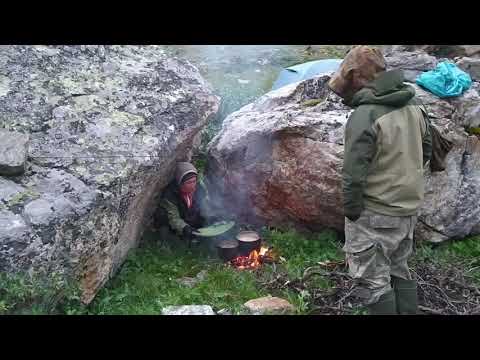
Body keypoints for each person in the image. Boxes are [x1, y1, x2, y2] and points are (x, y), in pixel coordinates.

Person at [328, 46, 432, 314]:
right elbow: (428, 149)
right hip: (408, 209)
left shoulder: (365, 116)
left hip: (375, 213)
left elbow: (353, 174)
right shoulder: (414, 104)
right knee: (399, 269)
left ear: (358, 79)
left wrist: (352, 213)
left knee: (372, 280)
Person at [153, 162, 210, 247]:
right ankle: (165, 242)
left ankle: (197, 237)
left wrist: (210, 215)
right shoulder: (170, 194)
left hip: (193, 218)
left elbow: (205, 205)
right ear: (180, 183)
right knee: (161, 213)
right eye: (189, 182)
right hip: (180, 223)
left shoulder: (199, 188)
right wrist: (185, 228)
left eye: (194, 181)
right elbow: (173, 218)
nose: (193, 185)